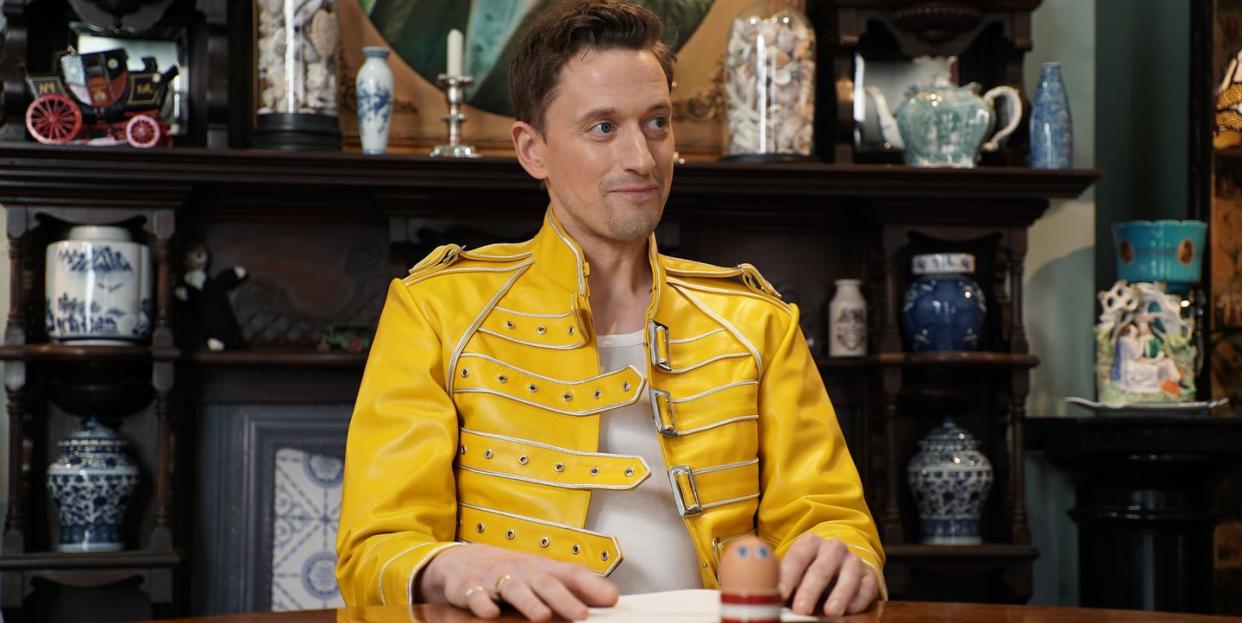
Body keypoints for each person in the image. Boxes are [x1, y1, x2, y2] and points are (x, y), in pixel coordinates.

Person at [336, 2, 884, 620]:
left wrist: (843, 556)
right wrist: (453, 567)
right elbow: (375, 547)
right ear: (532, 149)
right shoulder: (436, 310)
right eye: (602, 127)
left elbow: (832, 520)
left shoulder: (757, 321)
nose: (641, 159)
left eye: (656, 123)